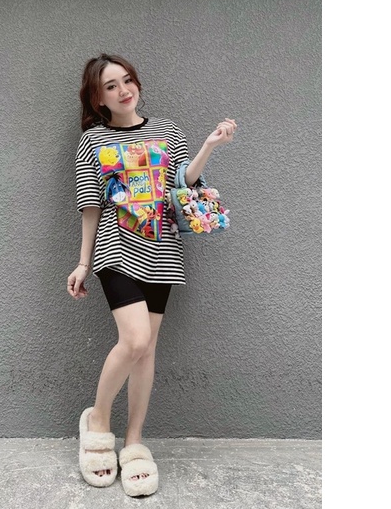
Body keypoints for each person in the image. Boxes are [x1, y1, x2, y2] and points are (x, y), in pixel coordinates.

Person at [67, 53, 237, 497]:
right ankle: (98, 422)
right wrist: (83, 262)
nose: (123, 90)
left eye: (127, 80)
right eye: (111, 86)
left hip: (162, 251)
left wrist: (209, 145)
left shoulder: (168, 131)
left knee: (146, 351)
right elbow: (90, 205)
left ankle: (135, 442)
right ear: (98, 97)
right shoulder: (93, 140)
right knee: (135, 339)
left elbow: (184, 185)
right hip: (115, 249)